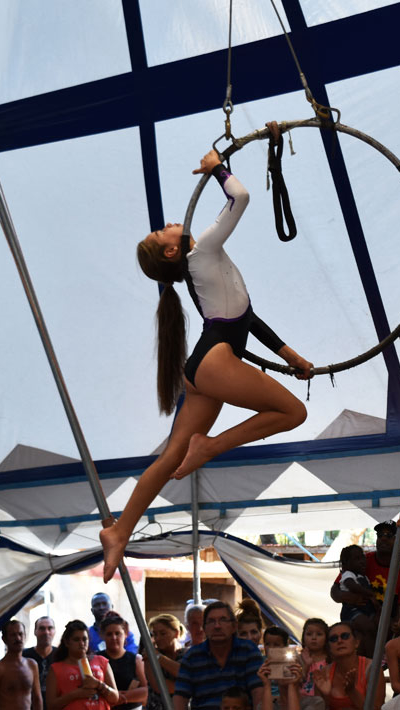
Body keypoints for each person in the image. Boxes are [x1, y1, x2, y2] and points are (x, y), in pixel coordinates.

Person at [99, 149, 313, 581]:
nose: (170, 224)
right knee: (293, 413)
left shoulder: (200, 267)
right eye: (164, 231)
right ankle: (210, 447)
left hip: (205, 367)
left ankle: (120, 530)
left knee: (171, 455)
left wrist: (287, 355)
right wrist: (218, 168)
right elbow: (241, 197)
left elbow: (244, 315)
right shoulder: (204, 252)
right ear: (175, 250)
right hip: (214, 362)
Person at [173, 602, 264, 710]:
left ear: (234, 626)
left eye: (223, 620)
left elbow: (258, 692)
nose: (217, 626)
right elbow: (180, 696)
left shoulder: (249, 651)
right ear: (205, 628)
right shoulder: (192, 656)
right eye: (211, 621)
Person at [46, 620, 121, 710]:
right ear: (67, 642)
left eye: (84, 639)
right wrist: (76, 694)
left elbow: (115, 698)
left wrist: (99, 684)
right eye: (76, 639)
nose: (81, 643)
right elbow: (51, 706)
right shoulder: (56, 669)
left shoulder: (101, 661)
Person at [311, 622, 384, 710]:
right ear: (329, 648)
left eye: (345, 636)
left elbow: (376, 708)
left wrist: (352, 691)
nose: (339, 641)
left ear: (356, 642)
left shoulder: (372, 669)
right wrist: (326, 696)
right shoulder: (324, 673)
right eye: (333, 639)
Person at [0, 620, 45, 710]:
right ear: (4, 639)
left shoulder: (32, 665)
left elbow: (37, 699)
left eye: (20, 634)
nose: (18, 638)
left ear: (25, 636)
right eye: (13, 635)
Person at [335, 545, 378, 640]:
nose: (362, 561)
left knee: (373, 630)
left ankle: (371, 653)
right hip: (352, 610)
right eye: (357, 559)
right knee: (369, 627)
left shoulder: (364, 577)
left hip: (366, 610)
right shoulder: (348, 575)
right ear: (346, 563)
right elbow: (352, 586)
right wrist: (369, 593)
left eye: (363, 557)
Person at [146, 614, 184, 710]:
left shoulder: (188, 654)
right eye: (155, 634)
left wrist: (158, 656)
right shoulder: (149, 656)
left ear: (176, 633)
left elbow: (184, 673)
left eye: (163, 633)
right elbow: (159, 687)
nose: (158, 638)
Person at [23, 617, 57, 706]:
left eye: (50, 628)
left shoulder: (61, 655)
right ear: (35, 631)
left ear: (54, 631)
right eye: (42, 628)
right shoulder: (24, 656)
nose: (46, 632)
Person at [296, 618, 329, 710]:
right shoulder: (298, 659)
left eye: (319, 634)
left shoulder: (329, 660)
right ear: (303, 637)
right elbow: (296, 682)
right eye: (309, 634)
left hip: (322, 702)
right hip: (300, 700)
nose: (314, 638)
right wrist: (306, 665)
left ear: (326, 638)